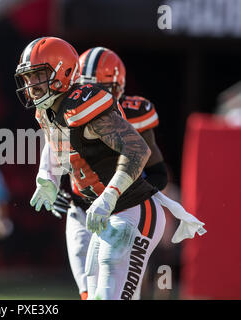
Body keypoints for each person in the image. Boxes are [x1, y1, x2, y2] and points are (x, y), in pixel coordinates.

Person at [14, 37, 206, 300]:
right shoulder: (48, 111)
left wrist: (109, 195)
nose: (31, 85)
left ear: (65, 72)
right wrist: (46, 177)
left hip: (130, 210)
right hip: (99, 213)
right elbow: (56, 142)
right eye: (27, 77)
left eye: (38, 76)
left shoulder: (85, 107)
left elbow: (138, 150)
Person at [51, 47, 168, 300]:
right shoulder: (67, 110)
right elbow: (60, 154)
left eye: (102, 88)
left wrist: (125, 196)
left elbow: (158, 173)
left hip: (119, 209)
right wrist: (59, 186)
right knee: (90, 293)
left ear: (117, 89)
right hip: (82, 209)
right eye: (86, 86)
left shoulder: (132, 114)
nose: (93, 95)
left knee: (117, 292)